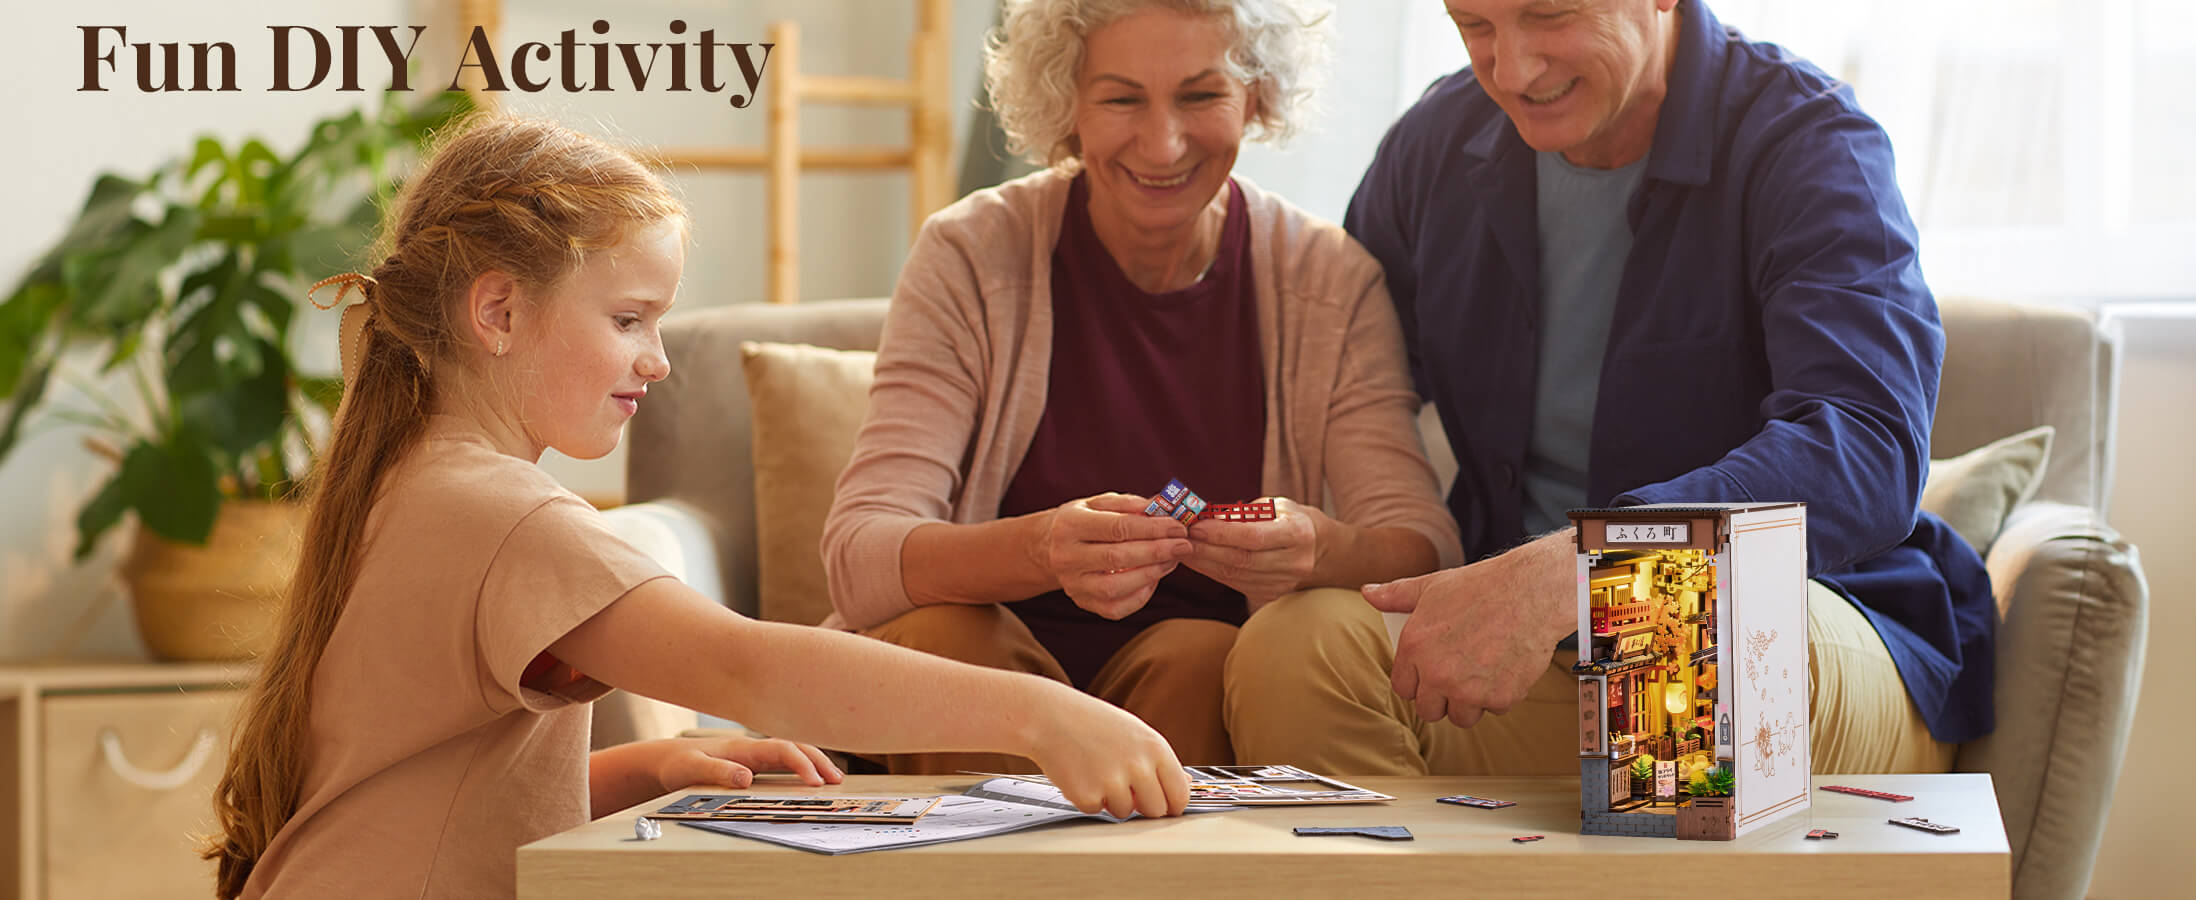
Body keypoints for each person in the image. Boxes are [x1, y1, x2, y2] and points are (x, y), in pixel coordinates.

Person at [203, 115, 1191, 900]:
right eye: (629, 319)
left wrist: (639, 769)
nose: (659, 360)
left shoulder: (413, 483)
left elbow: (407, 789)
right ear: (498, 313)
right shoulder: (502, 514)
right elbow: (745, 663)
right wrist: (1046, 716)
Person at [1225, 0, 1997, 777]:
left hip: (1802, 624)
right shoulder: (1438, 145)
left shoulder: (1809, 140)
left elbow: (1868, 446)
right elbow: (1339, 376)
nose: (1512, 70)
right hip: (1533, 645)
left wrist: (1587, 566)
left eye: (1549, 14)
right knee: (1290, 653)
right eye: (1476, 25)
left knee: (1669, 625)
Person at [821, 0, 1461, 774]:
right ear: (1066, 108)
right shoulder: (969, 253)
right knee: (951, 639)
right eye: (1121, 98)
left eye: (1201, 95)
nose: (1163, 143)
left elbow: (1423, 548)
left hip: (1189, 687)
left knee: (1202, 655)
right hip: (982, 677)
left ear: (1255, 97)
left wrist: (1321, 550)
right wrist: (1041, 549)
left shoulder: (1328, 279)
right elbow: (859, 555)